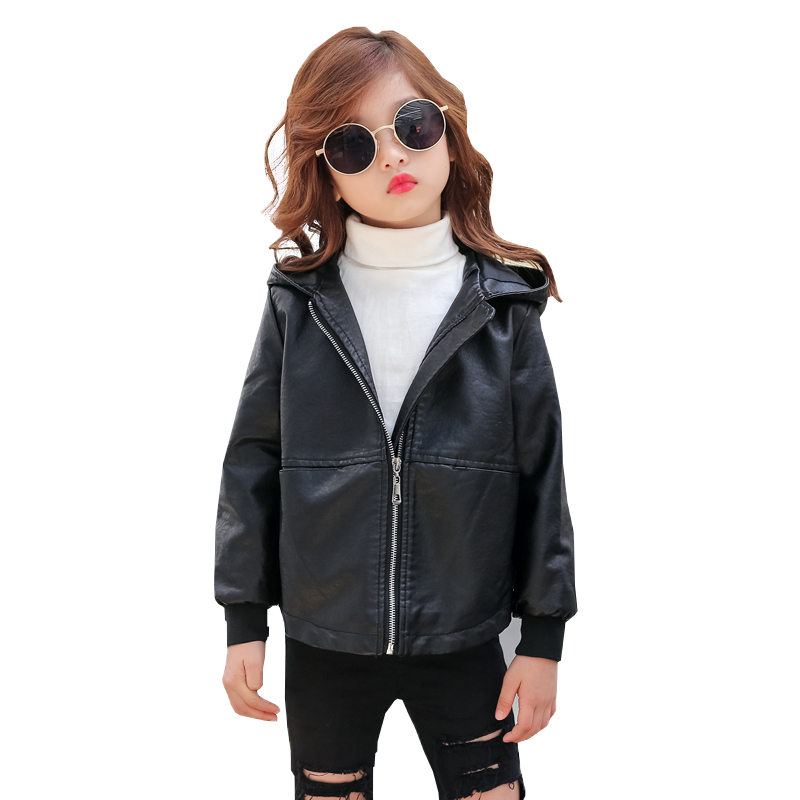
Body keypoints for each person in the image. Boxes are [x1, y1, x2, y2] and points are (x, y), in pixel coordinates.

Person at [214, 27, 577, 800]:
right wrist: (244, 619)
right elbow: (252, 463)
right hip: (326, 639)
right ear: (325, 169)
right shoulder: (297, 304)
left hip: (465, 632)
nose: (391, 157)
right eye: (353, 144)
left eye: (413, 125)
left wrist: (543, 638)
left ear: (449, 130)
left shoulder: (505, 305)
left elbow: (542, 475)